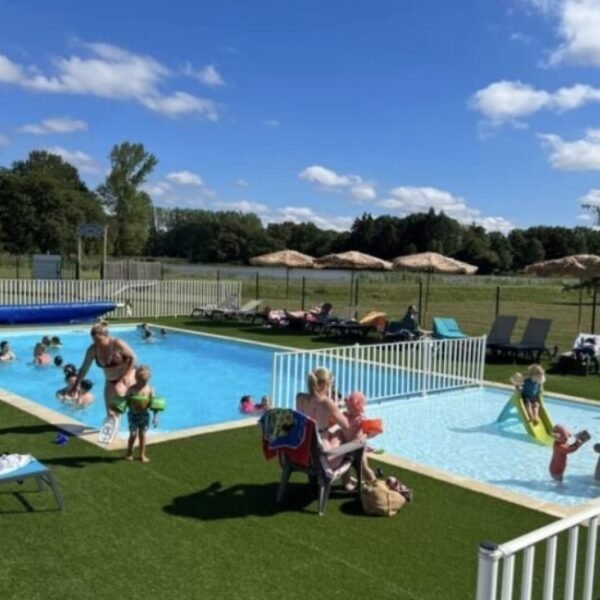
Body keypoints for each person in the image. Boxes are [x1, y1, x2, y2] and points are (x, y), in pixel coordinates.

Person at [296, 367, 376, 488]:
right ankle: (351, 481)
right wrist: (339, 409)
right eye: (330, 385)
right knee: (344, 436)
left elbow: (315, 418)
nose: (330, 388)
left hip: (302, 451)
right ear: (324, 384)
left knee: (335, 434)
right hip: (322, 456)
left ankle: (347, 481)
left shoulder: (300, 398)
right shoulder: (326, 402)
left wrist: (331, 414)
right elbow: (347, 426)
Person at [70, 320, 137, 417]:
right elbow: (84, 368)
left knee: (118, 399)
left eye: (99, 340)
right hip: (110, 380)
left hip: (126, 377)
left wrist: (126, 376)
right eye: (94, 340)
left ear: (106, 336)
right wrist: (76, 385)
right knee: (109, 413)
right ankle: (113, 428)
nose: (97, 343)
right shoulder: (93, 349)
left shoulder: (117, 343)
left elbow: (133, 357)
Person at [125, 365, 157, 463]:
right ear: (136, 379)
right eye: (140, 382)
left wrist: (155, 417)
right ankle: (129, 452)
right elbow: (125, 401)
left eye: (144, 382)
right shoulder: (131, 389)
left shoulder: (150, 390)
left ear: (148, 379)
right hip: (133, 415)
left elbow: (155, 405)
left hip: (144, 415)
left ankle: (142, 455)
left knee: (142, 435)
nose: (142, 384)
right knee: (133, 434)